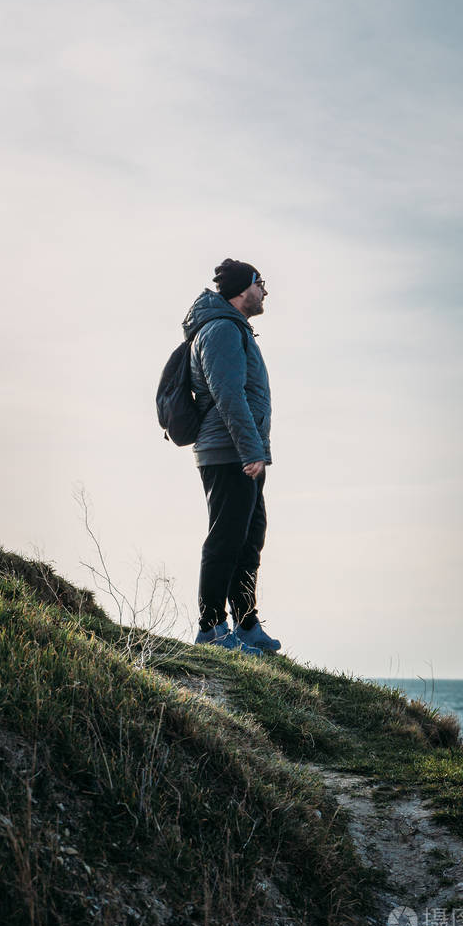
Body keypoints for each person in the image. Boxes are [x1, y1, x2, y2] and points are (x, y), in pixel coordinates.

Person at [182, 258, 281, 655]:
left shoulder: (233, 328)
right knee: (226, 537)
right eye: (261, 283)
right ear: (243, 289)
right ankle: (211, 629)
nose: (265, 291)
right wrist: (251, 450)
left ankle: (244, 623)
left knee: (249, 536)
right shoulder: (221, 329)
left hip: (241, 450)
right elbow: (228, 394)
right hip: (229, 451)